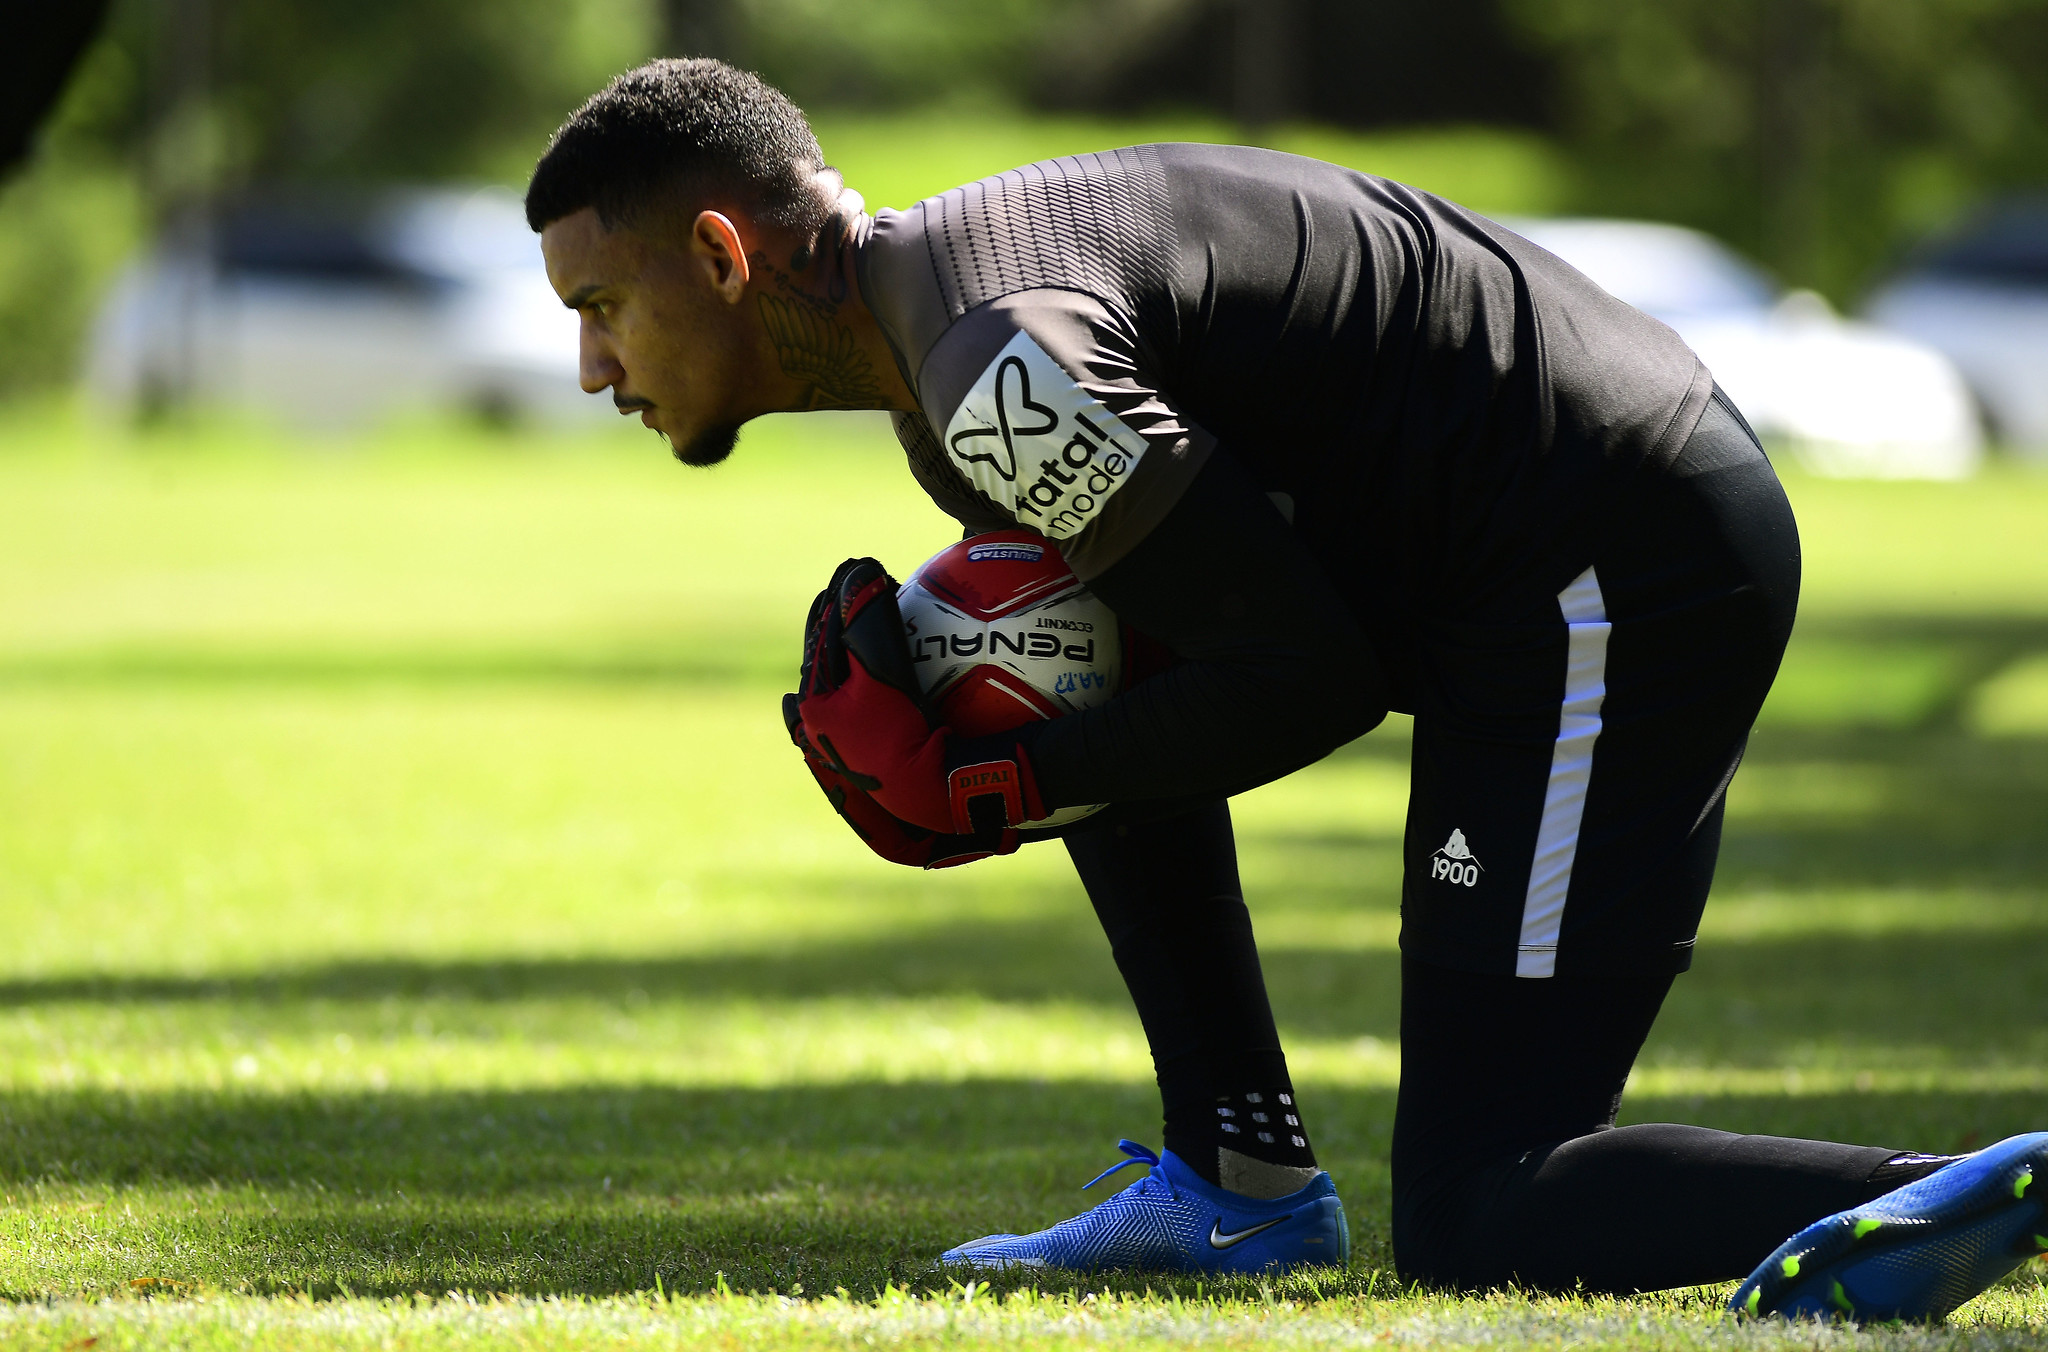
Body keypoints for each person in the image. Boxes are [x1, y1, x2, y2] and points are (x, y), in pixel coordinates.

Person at [524, 57, 2048, 1318]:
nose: (595, 368)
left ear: (723, 255)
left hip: (1610, 558)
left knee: (1484, 1208)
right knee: (1059, 651)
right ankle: (1236, 1177)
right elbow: (1194, 637)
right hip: (1555, 547)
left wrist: (990, 789)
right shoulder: (950, 337)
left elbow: (1303, 676)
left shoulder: (992, 367)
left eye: (601, 306)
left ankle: (1947, 1193)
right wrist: (1023, 744)